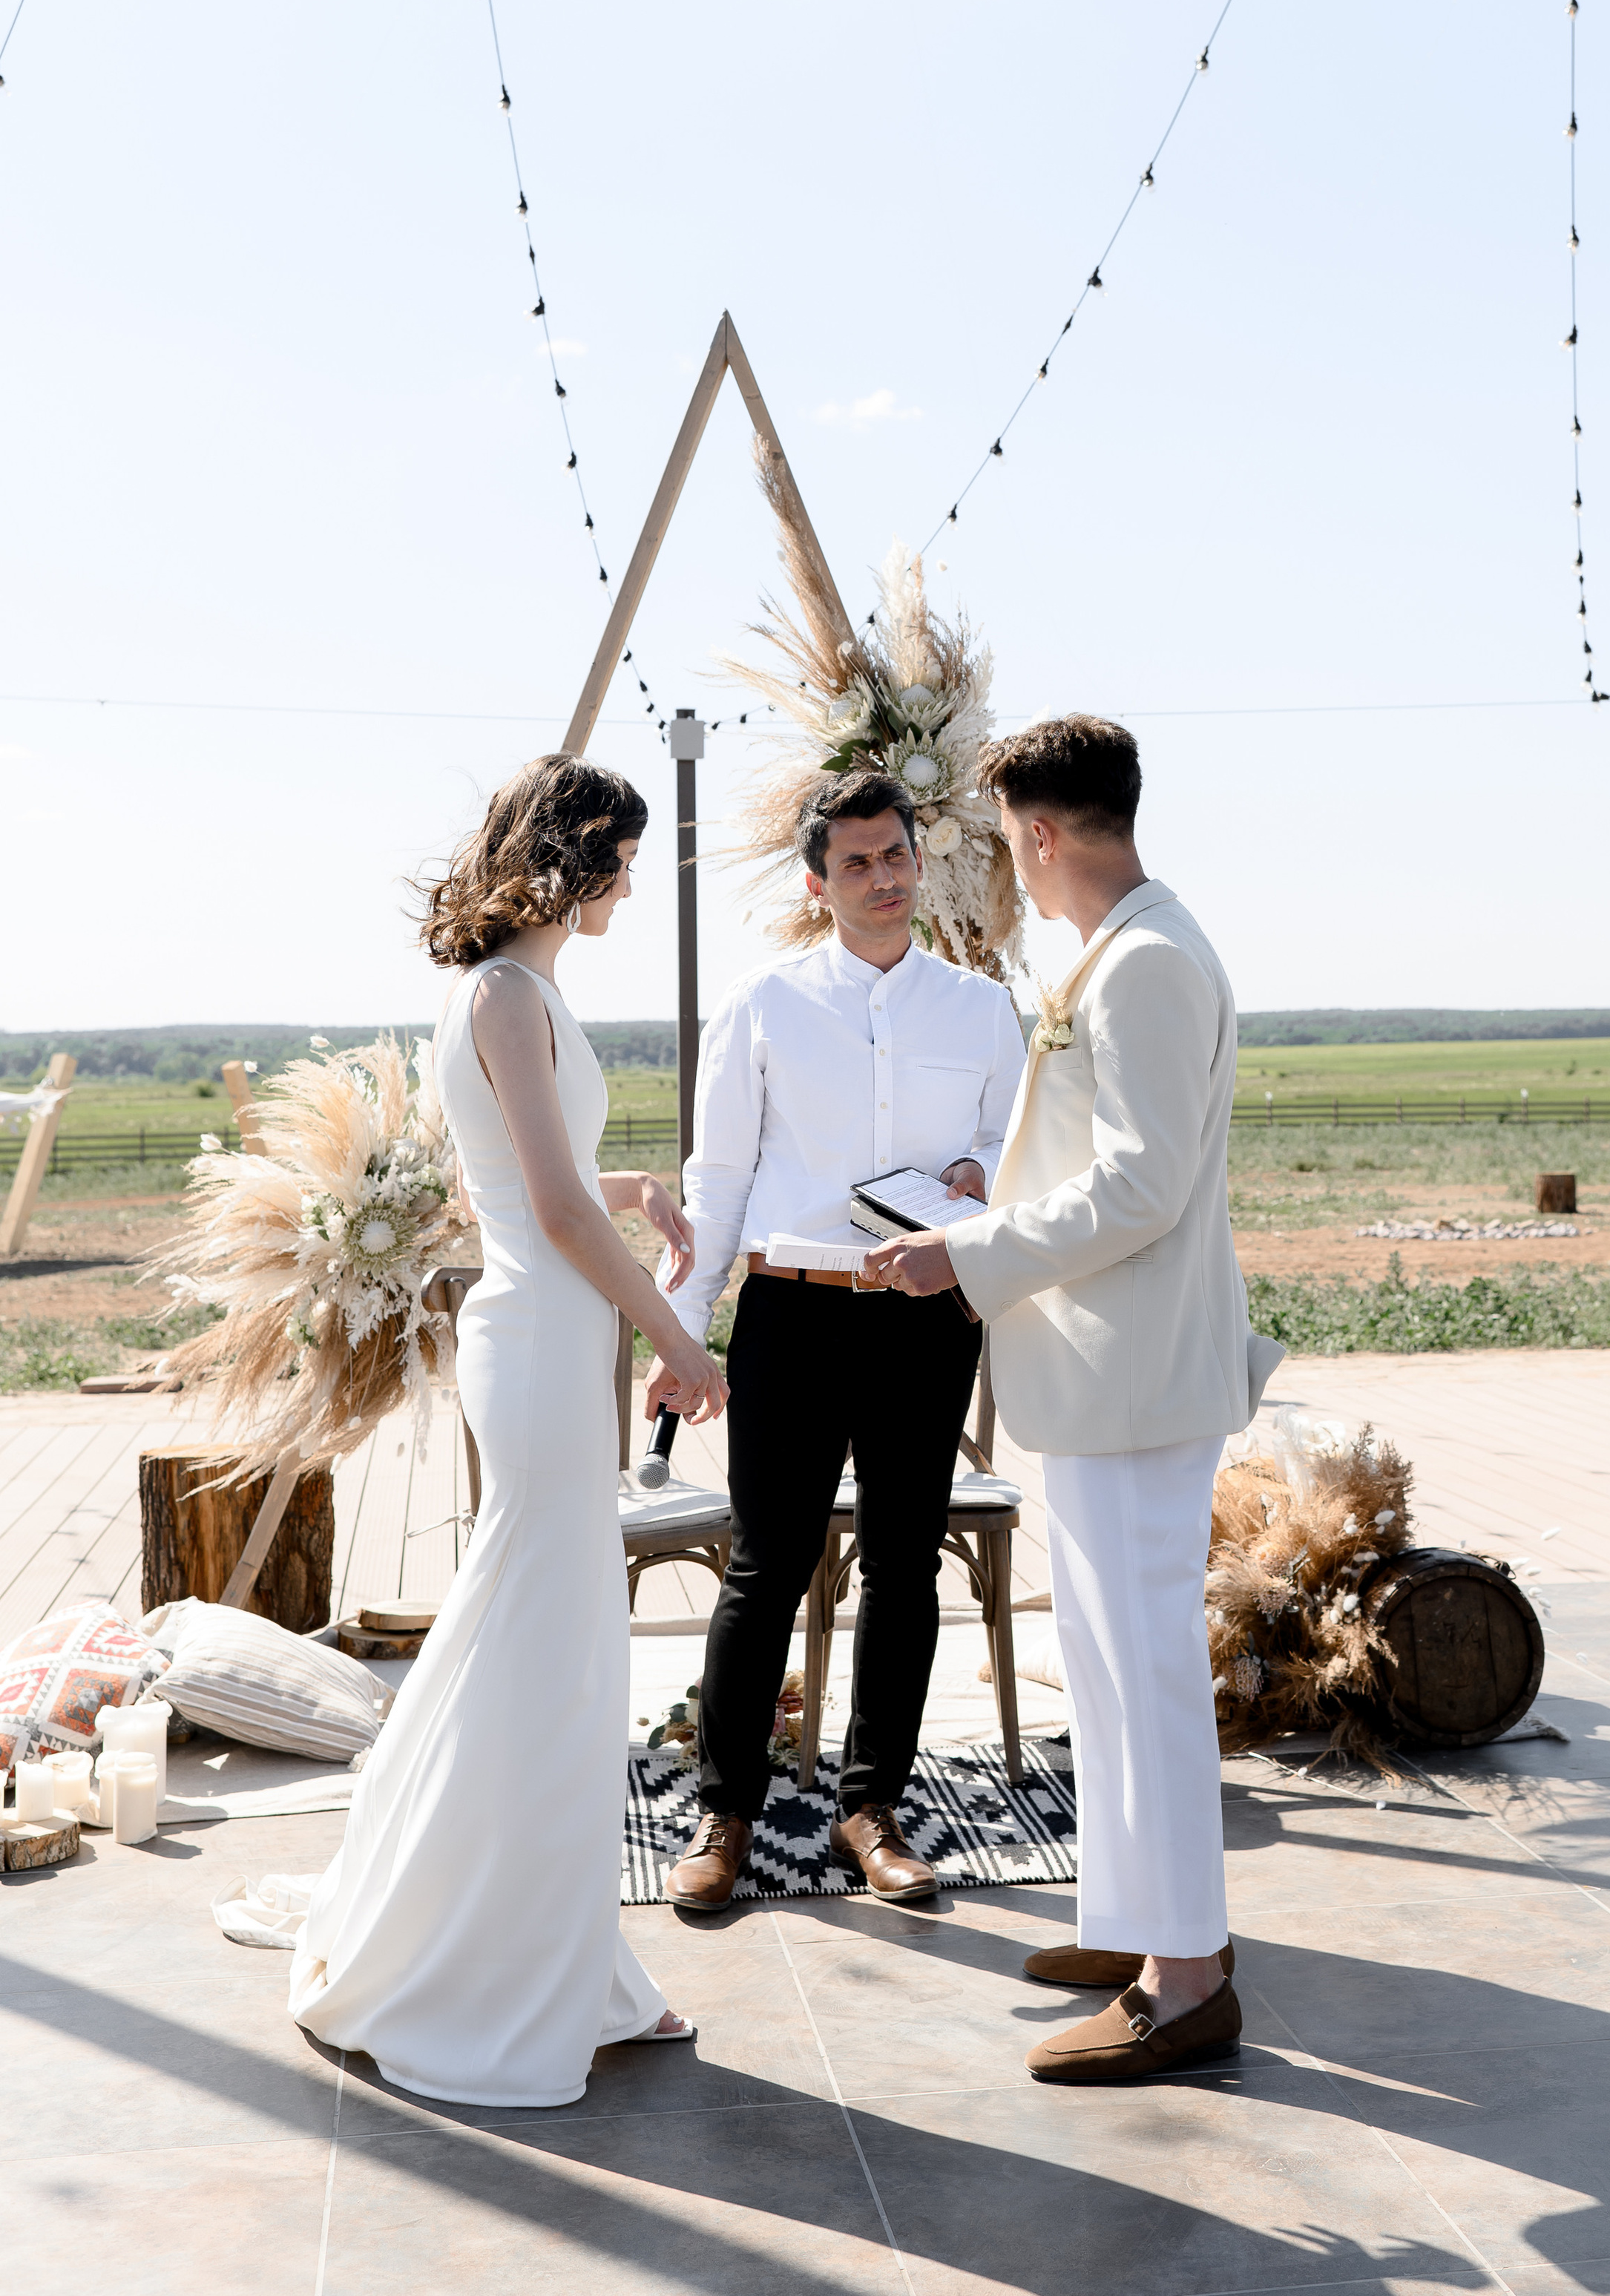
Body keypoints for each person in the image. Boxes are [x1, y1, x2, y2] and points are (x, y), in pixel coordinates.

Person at [290, 754, 726, 2107]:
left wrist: (635, 1184)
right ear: (573, 856)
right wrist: (675, 1333)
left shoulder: (516, 992)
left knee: (551, 1651)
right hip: (541, 1345)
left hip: (545, 1335)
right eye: (624, 857)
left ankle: (567, 1960)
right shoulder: (504, 993)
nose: (633, 882)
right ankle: (490, 1972)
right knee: (543, 1655)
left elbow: (539, 1177)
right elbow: (543, 1210)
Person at [862, 716, 1258, 2086]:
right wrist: (1001, 1197)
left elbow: (1146, 1187)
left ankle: (1189, 1981)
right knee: (1105, 1660)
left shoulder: (1145, 964)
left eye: (1007, 844)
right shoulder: (1124, 947)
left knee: (1148, 1674)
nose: (1012, 872)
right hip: (1106, 1372)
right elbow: (1106, 1162)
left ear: (1039, 833)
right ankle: (1138, 1924)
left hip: (1137, 1375)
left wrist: (966, 1254)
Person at [660, 768, 1025, 1911]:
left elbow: (1016, 1157)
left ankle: (873, 1811)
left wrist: (977, 1180)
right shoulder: (765, 1003)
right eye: (856, 863)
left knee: (907, 1567)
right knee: (763, 1570)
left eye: (895, 855)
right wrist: (683, 1334)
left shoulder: (982, 1009)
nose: (881, 878)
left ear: (921, 862)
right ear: (818, 883)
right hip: (793, 1311)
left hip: (924, 1315)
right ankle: (726, 1818)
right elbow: (717, 1180)